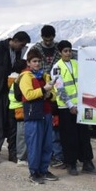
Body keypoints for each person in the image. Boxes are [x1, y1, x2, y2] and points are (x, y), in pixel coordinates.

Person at [52, 40, 96, 176]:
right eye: (65, 51)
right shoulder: (56, 68)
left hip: (81, 106)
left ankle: (87, 162)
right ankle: (71, 163)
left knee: (84, 135)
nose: (68, 53)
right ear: (60, 52)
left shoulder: (77, 64)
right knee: (69, 136)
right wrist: (70, 105)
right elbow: (60, 89)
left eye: (69, 51)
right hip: (66, 108)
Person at [0, 31, 31, 164]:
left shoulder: (18, 52)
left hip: (9, 92)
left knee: (11, 123)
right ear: (14, 40)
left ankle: (13, 153)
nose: (22, 47)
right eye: (21, 44)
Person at [20, 49, 58, 184]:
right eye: (34, 61)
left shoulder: (44, 76)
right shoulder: (25, 77)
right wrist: (44, 90)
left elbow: (53, 95)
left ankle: (44, 169)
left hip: (46, 113)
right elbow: (28, 95)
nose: (37, 64)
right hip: (33, 114)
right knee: (35, 144)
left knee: (47, 144)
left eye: (39, 61)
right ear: (29, 63)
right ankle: (34, 172)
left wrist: (49, 94)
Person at [37, 25, 64, 167]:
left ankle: (58, 155)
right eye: (46, 39)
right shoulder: (36, 49)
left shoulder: (60, 48)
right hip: (42, 92)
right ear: (42, 37)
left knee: (56, 126)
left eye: (51, 39)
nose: (48, 42)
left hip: (59, 92)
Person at [7, 60, 29, 165]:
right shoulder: (20, 78)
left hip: (12, 107)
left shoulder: (10, 78)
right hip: (19, 108)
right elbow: (19, 95)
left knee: (13, 133)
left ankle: (12, 153)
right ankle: (17, 155)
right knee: (19, 134)